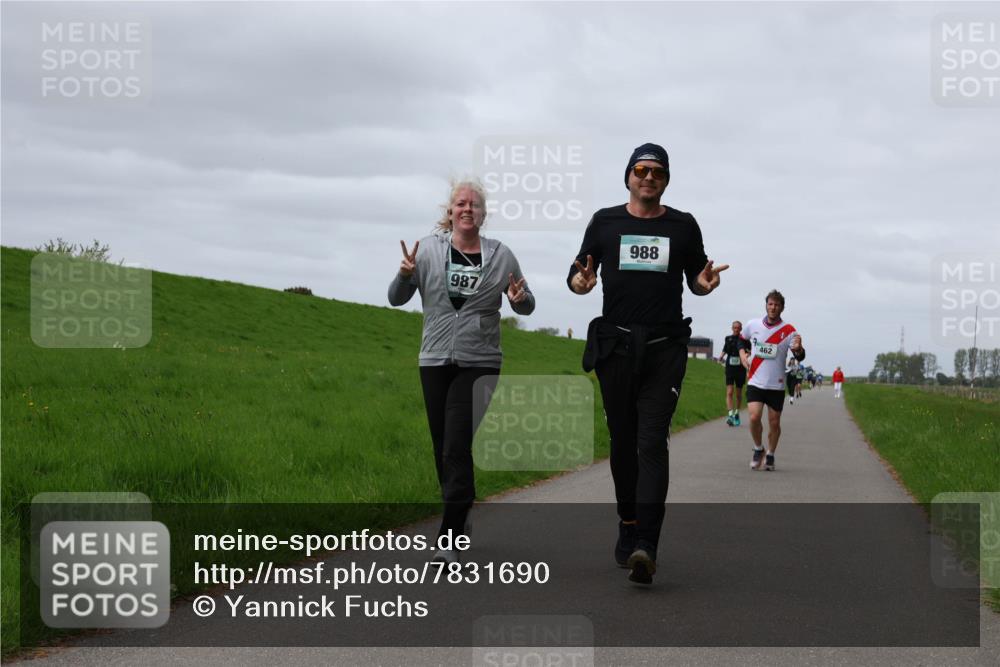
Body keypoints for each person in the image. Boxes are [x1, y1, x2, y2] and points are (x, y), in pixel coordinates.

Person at [567, 142, 728, 585]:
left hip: (663, 348)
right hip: (616, 347)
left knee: (651, 440)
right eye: (641, 169)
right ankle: (628, 523)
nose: (648, 177)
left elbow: (696, 277)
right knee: (622, 442)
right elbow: (578, 274)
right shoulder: (605, 222)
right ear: (628, 176)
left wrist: (704, 283)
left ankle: (647, 545)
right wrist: (581, 281)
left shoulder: (682, 225)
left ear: (666, 179)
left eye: (657, 171)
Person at [388, 179, 535, 564]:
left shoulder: (501, 256)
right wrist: (404, 274)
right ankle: (461, 511)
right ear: (450, 211)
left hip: (481, 360)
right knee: (443, 447)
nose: (467, 208)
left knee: (455, 443)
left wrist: (520, 298)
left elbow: (526, 303)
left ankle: (449, 537)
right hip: (434, 358)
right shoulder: (426, 251)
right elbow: (396, 298)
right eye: (460, 203)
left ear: (483, 215)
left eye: (474, 204)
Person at [740, 290, 805, 472]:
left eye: (776, 305)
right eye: (770, 304)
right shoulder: (752, 324)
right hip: (755, 380)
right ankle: (758, 448)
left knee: (774, 422)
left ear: (782, 308)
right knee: (753, 417)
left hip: (775, 384)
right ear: (766, 305)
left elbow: (800, 355)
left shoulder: (789, 331)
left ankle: (770, 454)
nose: (773, 307)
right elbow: (741, 340)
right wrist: (743, 354)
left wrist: (799, 349)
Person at [718, 321, 749, 426]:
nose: (736, 329)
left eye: (738, 328)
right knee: (730, 392)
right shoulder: (728, 338)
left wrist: (745, 357)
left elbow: (750, 350)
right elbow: (725, 349)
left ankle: (736, 413)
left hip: (740, 369)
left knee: (738, 394)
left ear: (741, 329)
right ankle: (730, 415)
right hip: (730, 367)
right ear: (732, 328)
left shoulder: (744, 340)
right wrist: (721, 356)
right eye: (734, 327)